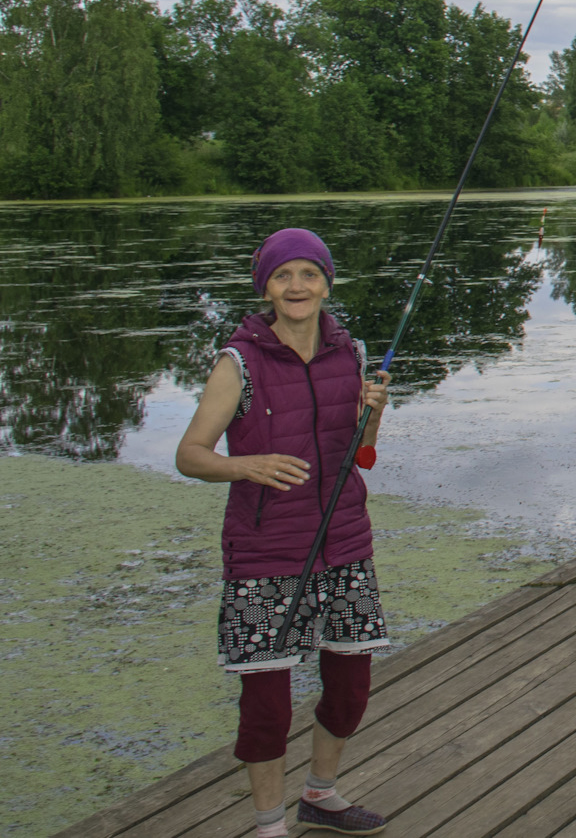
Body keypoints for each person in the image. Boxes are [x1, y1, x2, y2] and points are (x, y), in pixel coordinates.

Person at [176, 228, 393, 838]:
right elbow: (190, 454)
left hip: (344, 545)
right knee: (266, 707)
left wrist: (370, 416)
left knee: (350, 690)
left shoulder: (349, 354)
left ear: (326, 282)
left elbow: (362, 454)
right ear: (266, 288)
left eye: (309, 274)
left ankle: (320, 795)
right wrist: (244, 465)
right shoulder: (237, 363)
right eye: (283, 276)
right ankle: (270, 825)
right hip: (265, 555)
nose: (297, 287)